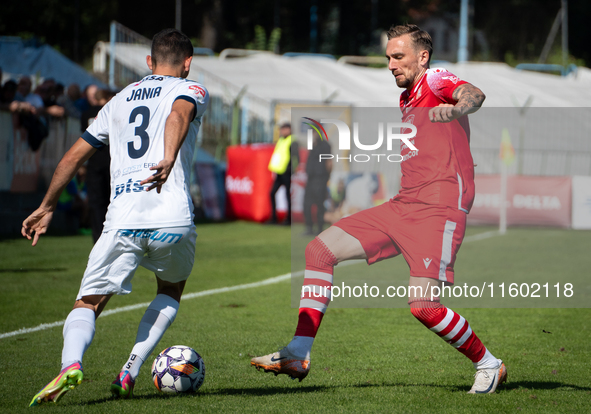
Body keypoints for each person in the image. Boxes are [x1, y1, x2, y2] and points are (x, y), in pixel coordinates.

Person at [251, 24, 506, 394]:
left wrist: (456, 111)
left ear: (422, 57)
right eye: (388, 57)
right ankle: (297, 353)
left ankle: (489, 364)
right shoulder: (408, 97)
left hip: (439, 208)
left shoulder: (435, 79)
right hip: (403, 204)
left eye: (398, 56)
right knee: (319, 250)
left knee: (424, 307)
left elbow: (473, 94)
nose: (390, 64)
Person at [23, 28, 209, 406]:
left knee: (88, 302)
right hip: (172, 217)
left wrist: (47, 205)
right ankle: (132, 367)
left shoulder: (118, 100)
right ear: (188, 63)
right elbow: (179, 114)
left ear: (149, 62)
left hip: (122, 217)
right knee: (170, 290)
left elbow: (72, 157)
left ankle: (69, 364)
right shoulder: (192, 89)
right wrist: (169, 156)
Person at [82, 88, 116, 243]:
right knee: (113, 202)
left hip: (94, 162)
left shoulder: (86, 113)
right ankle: (112, 237)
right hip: (112, 162)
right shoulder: (113, 110)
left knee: (96, 203)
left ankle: (97, 239)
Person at [267, 122, 298, 225]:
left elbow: (296, 158)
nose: (282, 131)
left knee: (287, 196)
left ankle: (289, 219)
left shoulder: (292, 141)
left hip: (286, 172)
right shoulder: (281, 140)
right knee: (272, 193)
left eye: (284, 129)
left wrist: (291, 170)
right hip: (279, 172)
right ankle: (274, 218)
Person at [303, 130, 331, 235]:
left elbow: (329, 162)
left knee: (319, 204)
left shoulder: (325, 145)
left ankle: (320, 229)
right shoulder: (312, 145)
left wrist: (327, 178)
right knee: (306, 204)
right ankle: (309, 228)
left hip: (320, 178)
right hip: (310, 178)